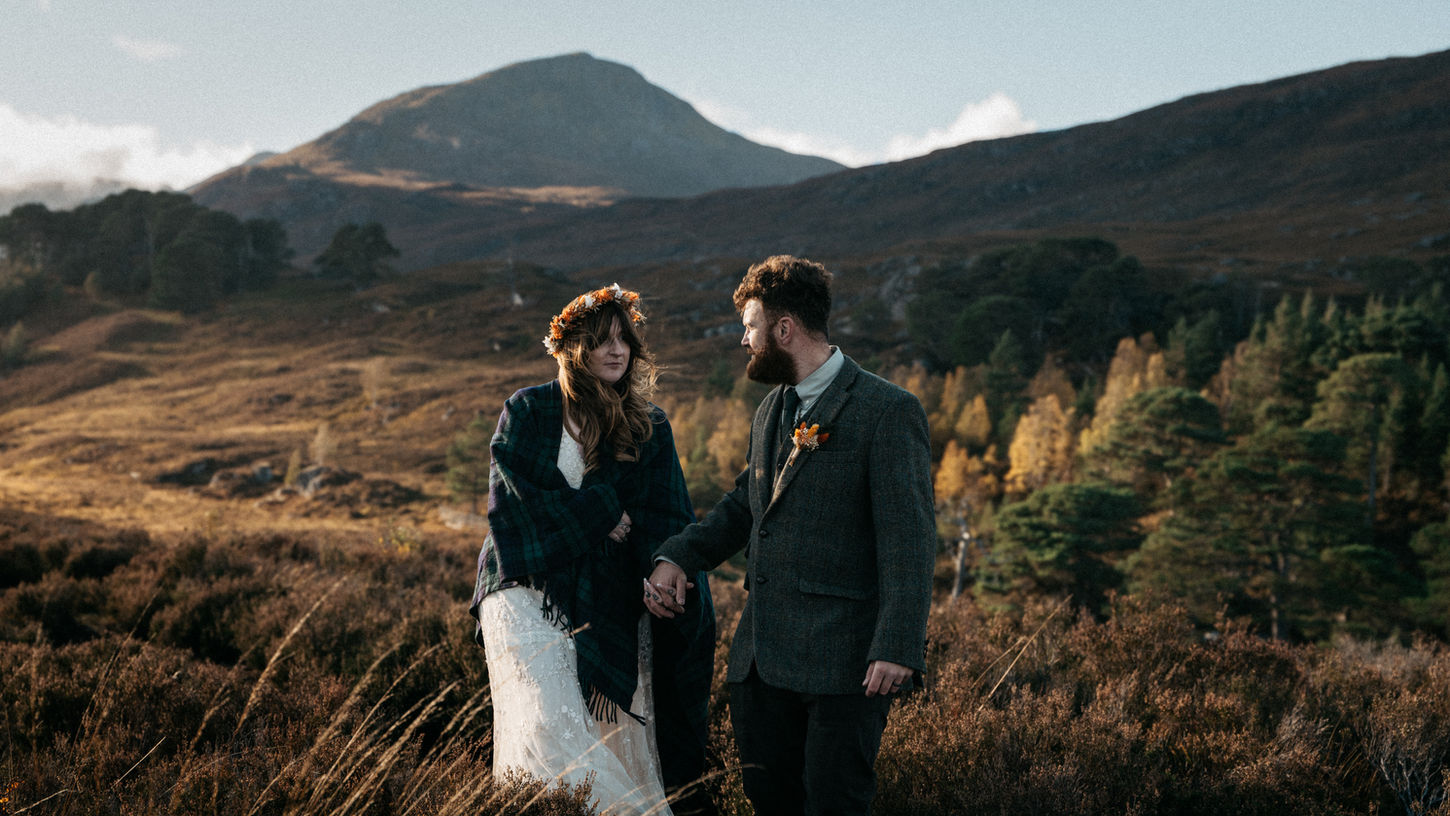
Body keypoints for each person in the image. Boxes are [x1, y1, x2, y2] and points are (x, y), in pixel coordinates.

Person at [645, 256, 935, 815]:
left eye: (750, 326)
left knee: (834, 805)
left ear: (784, 330)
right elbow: (744, 505)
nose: (744, 339)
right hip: (762, 662)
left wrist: (897, 646)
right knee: (769, 803)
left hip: (846, 666)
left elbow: (910, 538)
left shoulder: (888, 411)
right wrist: (678, 556)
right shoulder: (770, 410)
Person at [468, 283, 715, 816]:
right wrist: (600, 514)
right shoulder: (529, 411)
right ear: (570, 348)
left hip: (609, 594)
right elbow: (514, 509)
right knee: (546, 719)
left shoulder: (649, 426)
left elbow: (667, 516)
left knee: (619, 736)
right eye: (601, 340)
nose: (616, 350)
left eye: (624, 338)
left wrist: (660, 569)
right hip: (524, 586)